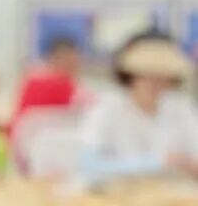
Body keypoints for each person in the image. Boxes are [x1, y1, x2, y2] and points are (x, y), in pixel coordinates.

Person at [79, 32, 198, 181]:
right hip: (120, 191)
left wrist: (188, 164)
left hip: (175, 191)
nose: (155, 81)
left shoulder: (181, 107)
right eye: (146, 73)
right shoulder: (106, 108)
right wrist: (158, 162)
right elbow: (89, 165)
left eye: (163, 74)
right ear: (130, 73)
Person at [10, 34, 88, 142]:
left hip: (25, 142)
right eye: (68, 60)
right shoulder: (59, 85)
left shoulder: (32, 79)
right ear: (54, 59)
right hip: (40, 142)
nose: (72, 64)